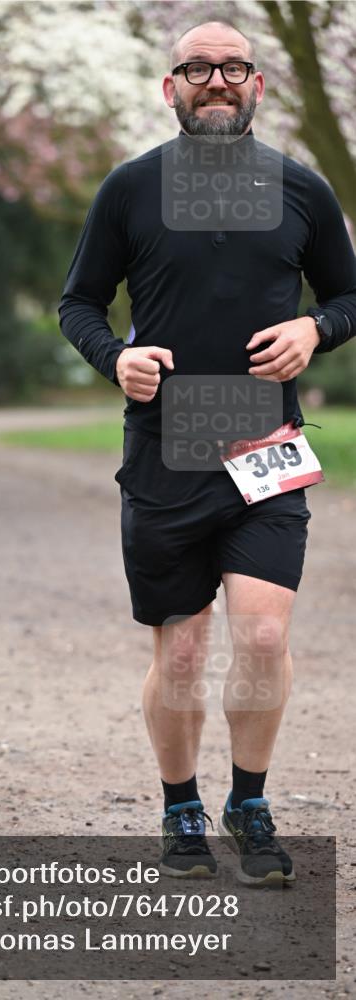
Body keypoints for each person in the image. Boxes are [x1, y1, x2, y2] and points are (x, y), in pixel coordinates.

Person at [58, 20, 356, 884]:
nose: (216, 80)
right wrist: (114, 356)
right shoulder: (129, 189)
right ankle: (180, 806)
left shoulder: (299, 190)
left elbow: (348, 295)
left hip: (265, 442)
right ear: (171, 87)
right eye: (198, 68)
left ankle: (250, 802)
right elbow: (78, 302)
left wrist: (315, 326)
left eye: (232, 68)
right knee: (181, 651)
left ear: (257, 85)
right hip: (166, 451)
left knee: (262, 634)